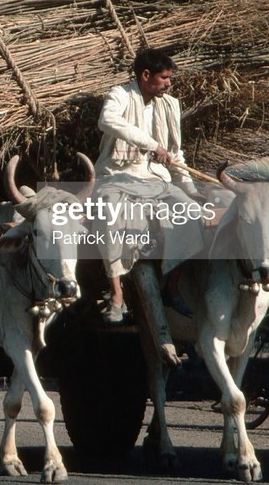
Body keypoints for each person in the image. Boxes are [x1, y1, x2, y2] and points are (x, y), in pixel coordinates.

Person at [93, 48, 206, 366]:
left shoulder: (170, 105)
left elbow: (175, 154)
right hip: (117, 178)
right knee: (110, 216)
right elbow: (107, 121)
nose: (169, 84)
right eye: (165, 77)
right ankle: (117, 295)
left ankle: (171, 287)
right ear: (145, 76)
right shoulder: (120, 95)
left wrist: (190, 189)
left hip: (155, 181)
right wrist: (150, 144)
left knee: (191, 216)